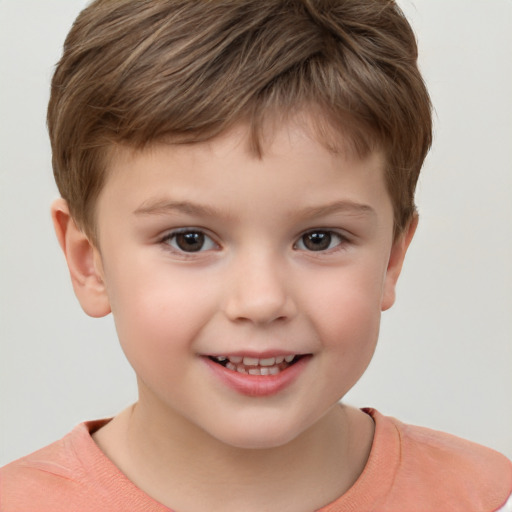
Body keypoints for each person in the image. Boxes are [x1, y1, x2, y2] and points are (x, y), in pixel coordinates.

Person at [1, 0, 511, 510]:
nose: (262, 301)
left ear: (392, 258)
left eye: (319, 239)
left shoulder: (486, 497)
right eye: (189, 240)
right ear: (88, 261)